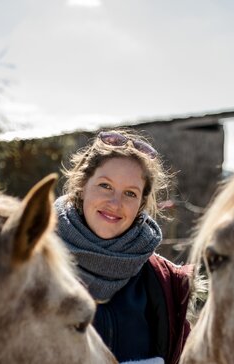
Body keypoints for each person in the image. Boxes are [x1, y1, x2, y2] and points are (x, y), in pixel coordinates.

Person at [55, 129, 193, 364]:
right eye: (105, 186)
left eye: (130, 193)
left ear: (141, 204)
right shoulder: (35, 265)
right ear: (82, 185)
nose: (115, 203)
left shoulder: (166, 283)